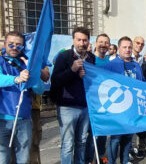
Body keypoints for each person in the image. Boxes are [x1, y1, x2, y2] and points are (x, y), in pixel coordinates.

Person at [51, 27, 95, 163]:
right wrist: (72, 70)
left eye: (85, 40)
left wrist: (86, 77)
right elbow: (56, 80)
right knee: (68, 144)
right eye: (79, 40)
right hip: (67, 107)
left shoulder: (91, 58)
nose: (82, 43)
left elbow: (93, 79)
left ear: (89, 41)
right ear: (73, 40)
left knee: (81, 142)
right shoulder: (64, 56)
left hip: (84, 106)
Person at [0, 31, 44, 163]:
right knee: (3, 159)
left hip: (24, 119)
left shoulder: (25, 63)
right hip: (3, 118)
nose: (15, 48)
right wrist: (17, 79)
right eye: (11, 44)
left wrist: (33, 73)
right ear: (5, 44)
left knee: (23, 160)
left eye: (19, 46)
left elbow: (39, 89)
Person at [105, 36, 144, 164]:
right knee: (115, 139)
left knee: (128, 138)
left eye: (129, 47)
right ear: (119, 48)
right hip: (117, 109)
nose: (127, 50)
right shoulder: (111, 65)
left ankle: (125, 160)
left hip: (132, 109)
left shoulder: (136, 65)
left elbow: (142, 84)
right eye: (124, 47)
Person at [85, 33, 110, 164]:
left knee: (103, 131)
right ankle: (89, 160)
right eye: (101, 42)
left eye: (106, 43)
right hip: (92, 102)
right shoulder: (89, 60)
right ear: (95, 43)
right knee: (92, 133)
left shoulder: (109, 61)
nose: (103, 45)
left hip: (106, 102)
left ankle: (100, 156)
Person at [30, 67, 50, 164]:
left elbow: (46, 76)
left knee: (34, 141)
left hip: (33, 108)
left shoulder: (34, 55)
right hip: (8, 110)